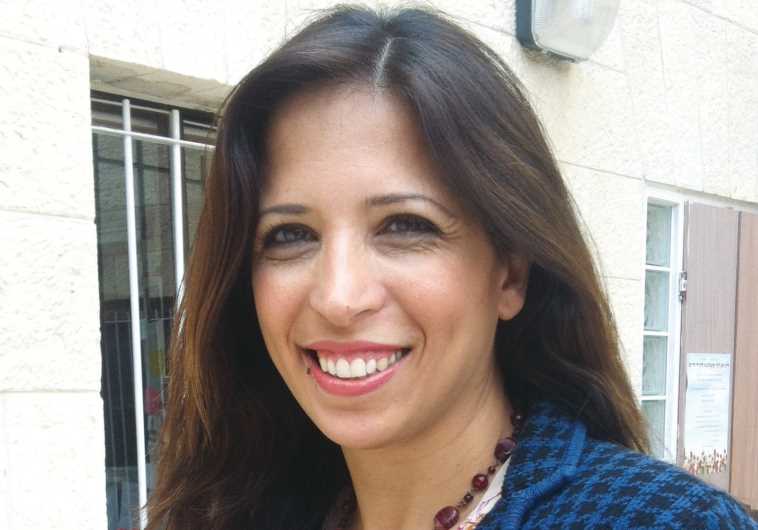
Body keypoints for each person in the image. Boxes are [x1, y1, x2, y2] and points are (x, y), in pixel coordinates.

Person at [146, 5, 758, 530]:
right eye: (290, 235)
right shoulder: (230, 510)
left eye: (404, 226)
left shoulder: (666, 521)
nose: (338, 296)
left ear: (510, 274)